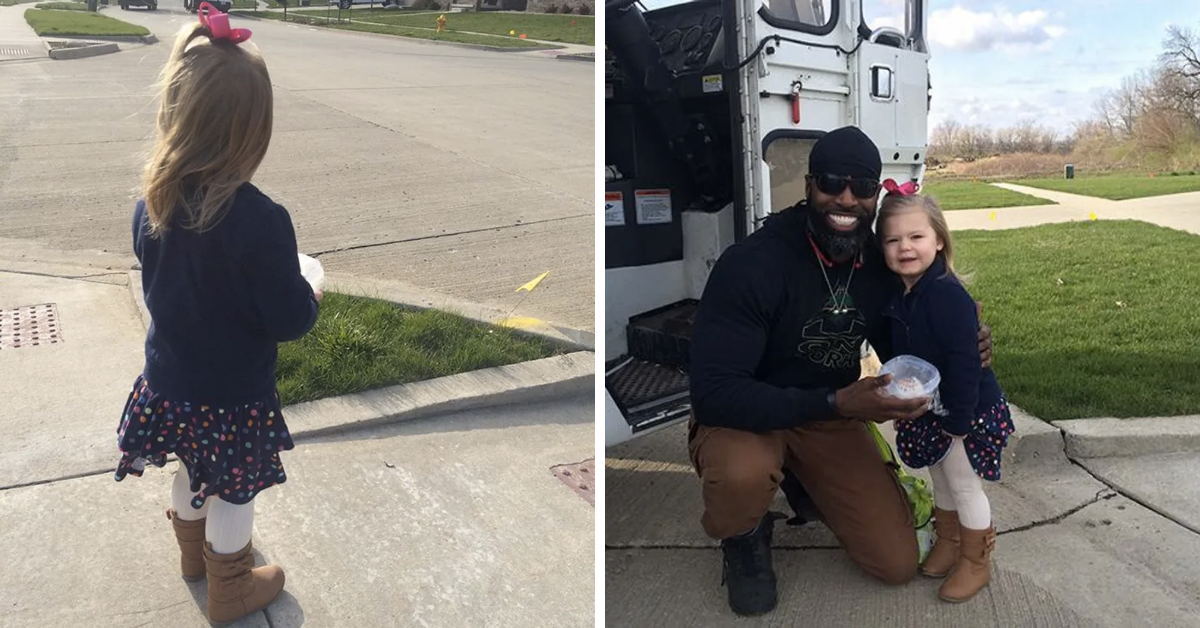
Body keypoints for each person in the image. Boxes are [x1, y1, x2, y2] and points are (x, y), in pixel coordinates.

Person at [686, 125, 993, 617]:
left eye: (862, 187)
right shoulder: (753, 264)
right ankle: (743, 535)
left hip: (828, 419)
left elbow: (904, 341)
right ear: (809, 185)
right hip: (747, 419)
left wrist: (963, 342)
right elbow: (713, 394)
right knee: (742, 475)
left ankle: (806, 481)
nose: (845, 198)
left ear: (875, 194)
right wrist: (838, 402)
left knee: (895, 564)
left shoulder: (876, 263)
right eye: (831, 182)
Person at [112, 7, 320, 624]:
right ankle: (231, 589)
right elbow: (288, 318)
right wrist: (309, 286)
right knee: (234, 490)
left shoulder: (151, 205)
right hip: (232, 396)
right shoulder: (262, 220)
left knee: (189, 472)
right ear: (252, 133)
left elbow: (168, 286)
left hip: (169, 383)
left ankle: (192, 559)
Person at [876, 190, 1015, 603]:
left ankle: (976, 561)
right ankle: (949, 541)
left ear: (938, 240)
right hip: (931, 408)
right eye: (893, 240)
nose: (905, 248)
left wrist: (959, 420)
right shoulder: (901, 294)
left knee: (964, 484)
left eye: (916, 237)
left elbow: (965, 362)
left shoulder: (948, 295)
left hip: (963, 409)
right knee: (939, 477)